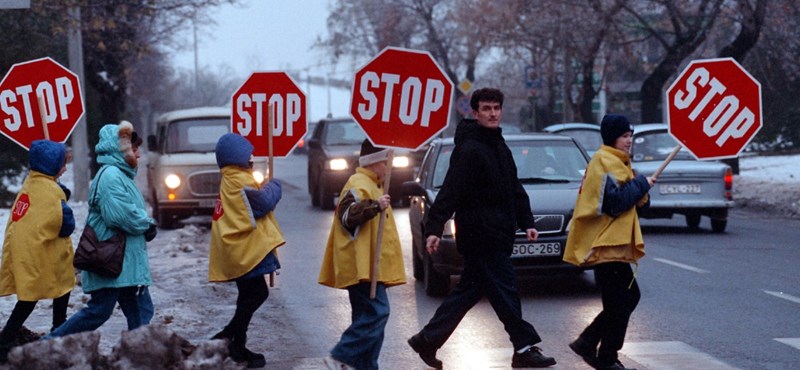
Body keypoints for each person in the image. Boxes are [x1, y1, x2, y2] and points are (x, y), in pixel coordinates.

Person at [408, 88, 556, 369]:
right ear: (474, 113)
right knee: (507, 289)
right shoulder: (470, 150)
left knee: (468, 291)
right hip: (481, 235)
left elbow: (513, 186)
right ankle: (524, 348)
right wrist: (434, 228)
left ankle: (427, 340)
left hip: (498, 233)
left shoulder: (498, 145)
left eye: (496, 108)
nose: (492, 113)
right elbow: (450, 190)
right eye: (486, 109)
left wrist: (527, 222)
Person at [43, 121, 158, 340]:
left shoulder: (120, 175)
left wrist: (145, 223)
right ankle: (47, 345)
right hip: (111, 258)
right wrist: (147, 223)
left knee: (141, 311)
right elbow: (119, 214)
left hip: (123, 262)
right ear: (121, 149)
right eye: (134, 149)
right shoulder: (111, 176)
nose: (138, 154)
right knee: (99, 311)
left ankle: (139, 354)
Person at [563, 114, 655, 370]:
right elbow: (613, 203)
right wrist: (639, 183)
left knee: (622, 300)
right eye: (625, 136)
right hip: (604, 244)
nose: (629, 141)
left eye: (630, 136)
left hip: (613, 245)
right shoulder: (604, 161)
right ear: (612, 137)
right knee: (625, 299)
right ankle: (603, 354)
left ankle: (596, 347)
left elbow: (630, 201)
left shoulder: (617, 161)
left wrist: (642, 188)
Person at [318, 139, 406, 370]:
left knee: (367, 321)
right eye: (386, 161)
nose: (389, 166)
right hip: (361, 267)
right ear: (374, 161)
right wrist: (374, 205)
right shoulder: (358, 183)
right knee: (378, 313)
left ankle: (365, 366)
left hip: (369, 268)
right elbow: (346, 215)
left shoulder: (372, 184)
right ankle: (341, 355)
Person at [209, 133, 284, 369]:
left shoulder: (231, 178)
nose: (252, 159)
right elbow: (262, 204)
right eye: (248, 155)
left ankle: (237, 344)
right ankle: (228, 337)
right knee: (258, 293)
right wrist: (275, 186)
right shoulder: (240, 181)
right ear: (238, 158)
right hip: (246, 250)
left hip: (238, 248)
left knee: (248, 295)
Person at [0, 140, 76, 361]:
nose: (65, 168)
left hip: (27, 253)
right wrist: (63, 201)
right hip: (47, 256)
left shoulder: (30, 184)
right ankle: (57, 335)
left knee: (27, 300)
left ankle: (5, 342)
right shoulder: (52, 192)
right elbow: (66, 224)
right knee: (61, 292)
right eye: (62, 164)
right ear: (52, 166)